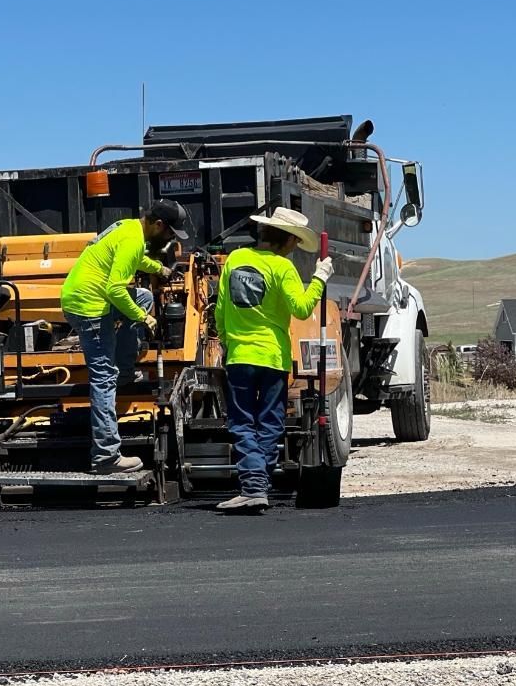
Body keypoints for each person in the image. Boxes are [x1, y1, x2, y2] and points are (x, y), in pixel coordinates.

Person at [214, 207, 334, 510]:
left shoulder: (235, 260)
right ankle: (257, 485)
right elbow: (303, 308)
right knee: (269, 422)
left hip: (240, 356)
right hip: (273, 357)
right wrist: (319, 277)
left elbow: (220, 310)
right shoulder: (283, 268)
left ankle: (255, 486)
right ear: (289, 240)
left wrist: (228, 343)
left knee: (242, 422)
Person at [61, 199, 190, 475]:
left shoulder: (130, 228)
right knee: (103, 377)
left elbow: (134, 260)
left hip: (84, 297)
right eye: (170, 233)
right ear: (158, 225)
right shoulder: (133, 240)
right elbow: (115, 290)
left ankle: (125, 373)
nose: (170, 238)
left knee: (142, 297)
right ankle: (106, 456)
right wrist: (144, 318)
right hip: (90, 307)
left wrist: (160, 269)